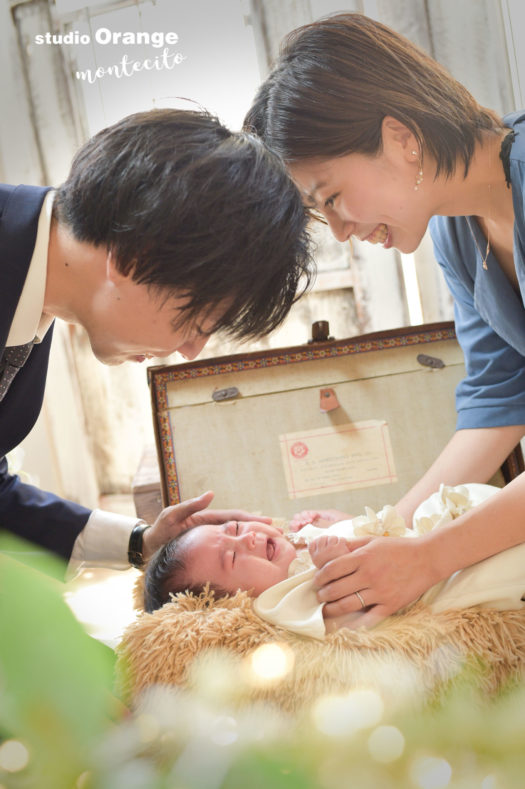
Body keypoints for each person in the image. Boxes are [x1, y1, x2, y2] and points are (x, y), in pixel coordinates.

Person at [243, 12, 525, 627]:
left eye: (332, 199)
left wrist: (428, 557)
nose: (341, 231)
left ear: (401, 137)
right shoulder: (456, 230)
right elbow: (500, 401)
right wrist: (387, 532)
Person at [0, 108, 312, 571]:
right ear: (132, 258)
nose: (191, 350)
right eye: (198, 323)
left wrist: (141, 542)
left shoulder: (32, 291)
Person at [142, 484, 525, 639]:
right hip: (437, 584)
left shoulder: (297, 545)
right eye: (233, 556)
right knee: (489, 575)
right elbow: (341, 619)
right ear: (231, 604)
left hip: (434, 543)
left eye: (237, 528)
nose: (250, 538)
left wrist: (344, 524)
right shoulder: (275, 603)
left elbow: (379, 534)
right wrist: (328, 564)